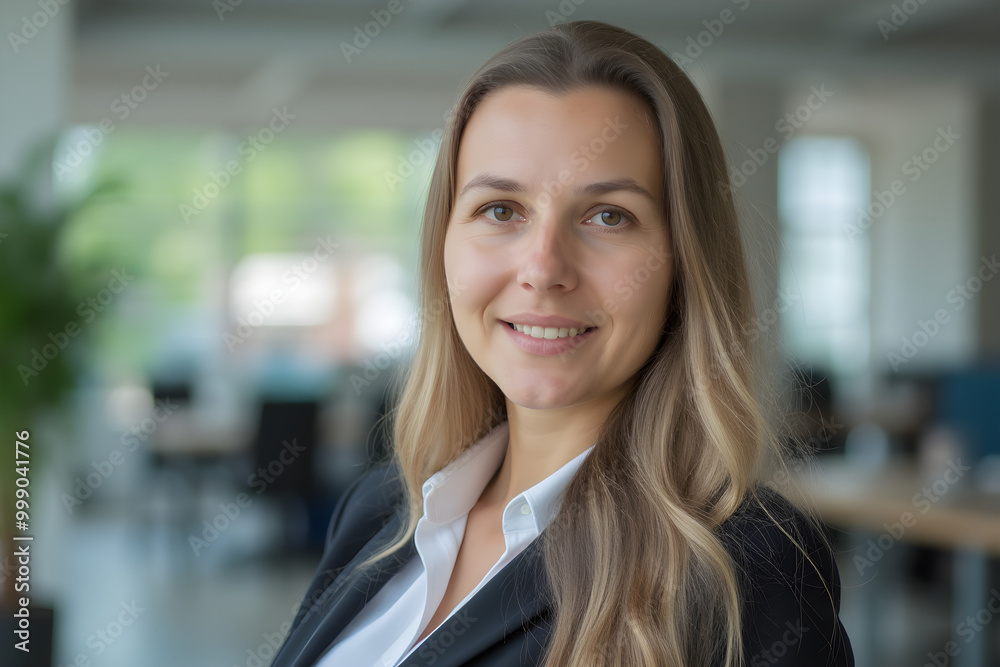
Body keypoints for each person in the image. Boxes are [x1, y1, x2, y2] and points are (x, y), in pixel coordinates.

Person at [272, 19, 855, 667]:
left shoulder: (745, 567)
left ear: (684, 267)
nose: (544, 267)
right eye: (501, 210)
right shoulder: (382, 509)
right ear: (444, 245)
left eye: (609, 216)